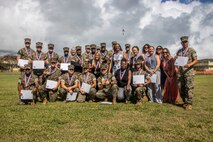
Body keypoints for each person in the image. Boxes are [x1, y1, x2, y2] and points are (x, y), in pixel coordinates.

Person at [176, 36, 198, 110]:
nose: (184, 43)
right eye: (183, 42)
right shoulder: (179, 51)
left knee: (189, 87)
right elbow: (177, 61)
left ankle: (189, 103)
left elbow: (195, 60)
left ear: (188, 42)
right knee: (180, 87)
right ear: (181, 43)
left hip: (188, 72)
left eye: (186, 42)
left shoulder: (191, 50)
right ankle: (185, 101)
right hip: (180, 73)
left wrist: (189, 64)